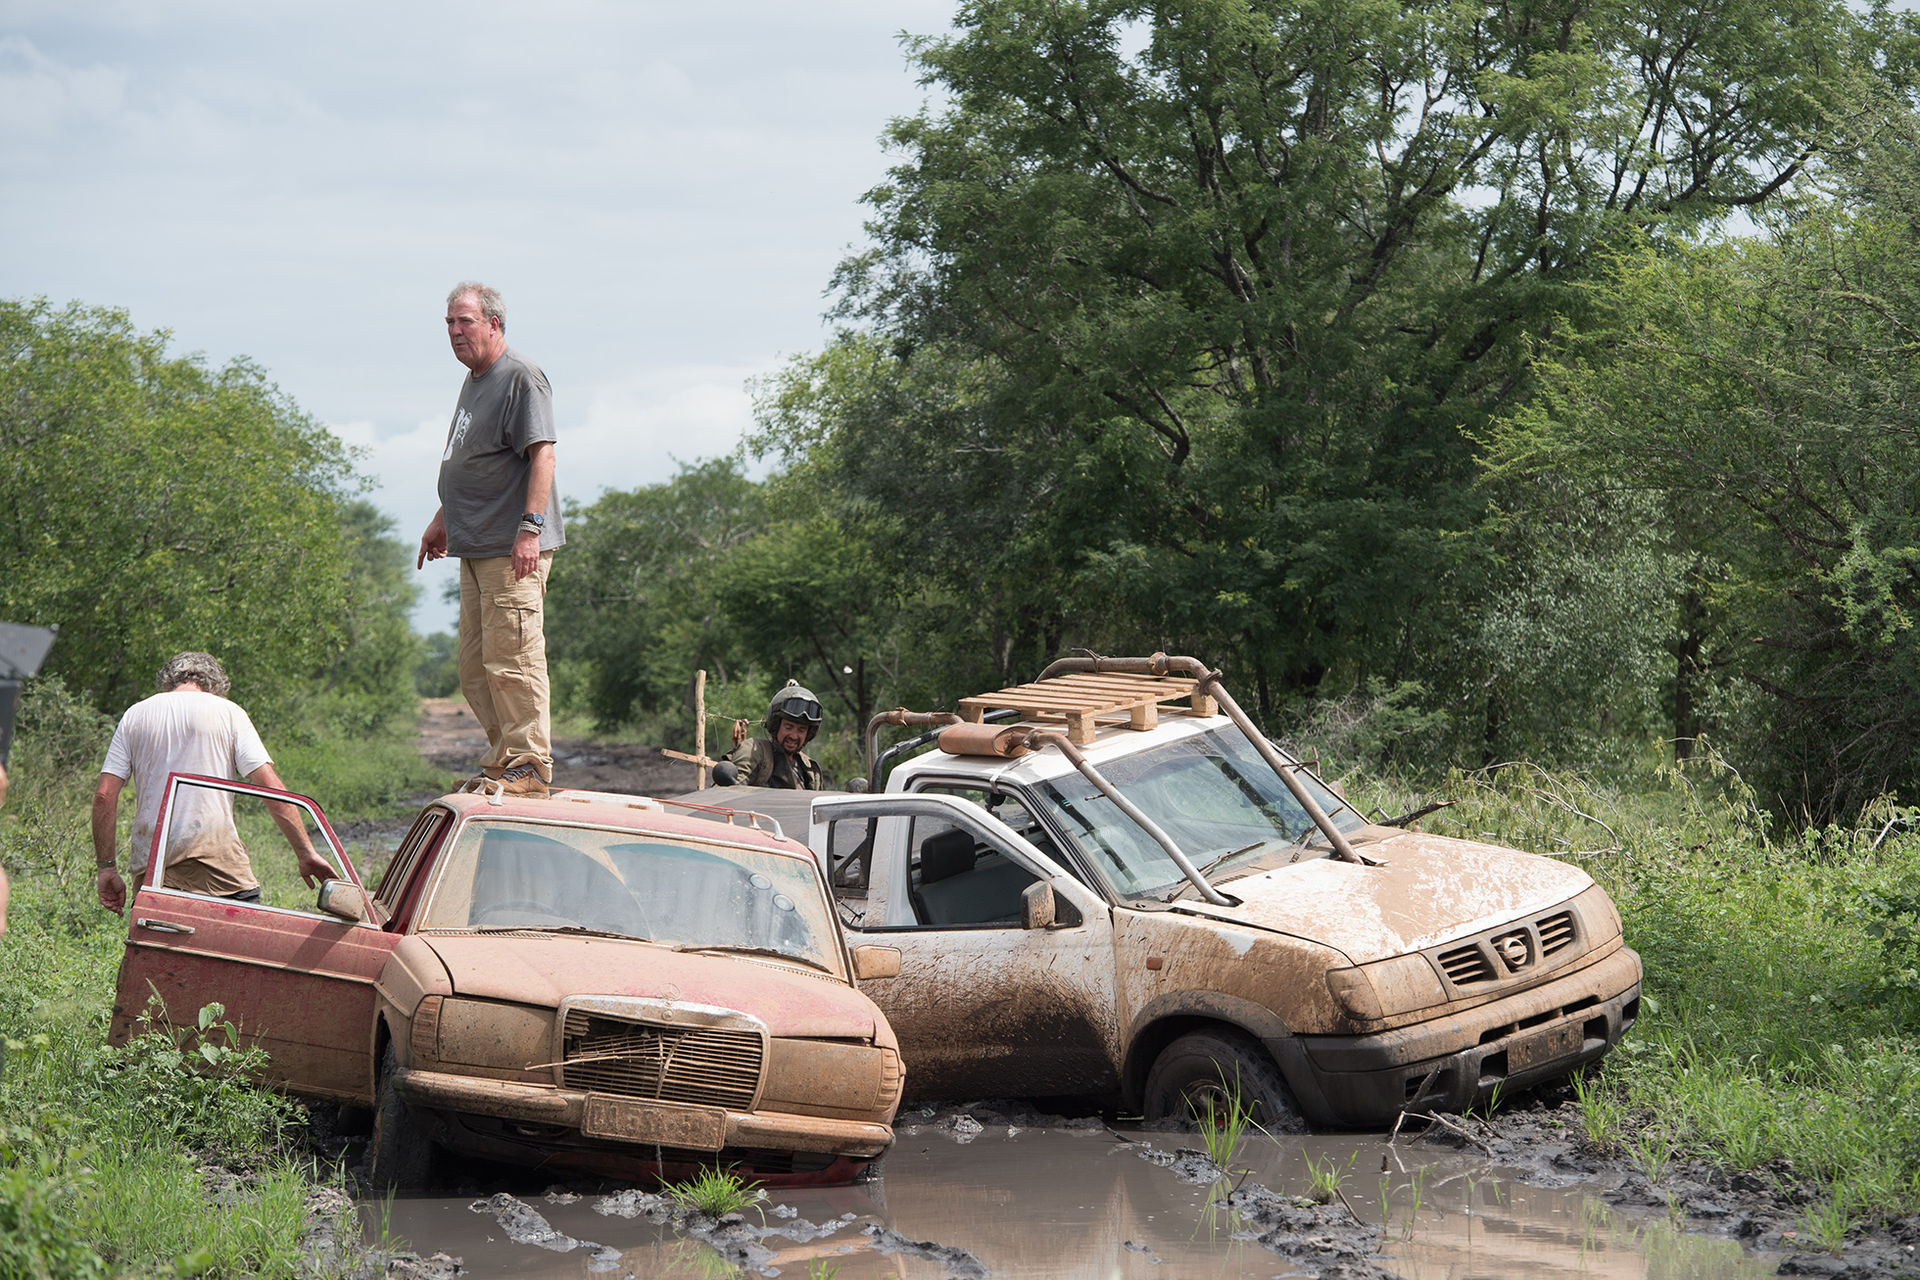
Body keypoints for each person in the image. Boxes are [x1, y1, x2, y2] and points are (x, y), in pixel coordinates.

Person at [417, 282, 564, 799]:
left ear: (494, 324)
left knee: (514, 660)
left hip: (511, 547)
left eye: (465, 322)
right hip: (475, 544)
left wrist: (530, 529)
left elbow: (543, 456)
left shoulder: (520, 376)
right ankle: (504, 763)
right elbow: (475, 462)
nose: (455, 332)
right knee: (476, 669)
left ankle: (531, 765)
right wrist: (443, 518)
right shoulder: (474, 380)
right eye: (449, 323)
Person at [93, 652, 333, 913]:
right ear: (214, 683)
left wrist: (106, 868)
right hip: (218, 865)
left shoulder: (135, 715)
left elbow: (104, 795)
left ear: (168, 680)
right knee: (244, 934)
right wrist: (305, 853)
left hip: (155, 868)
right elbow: (269, 785)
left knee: (156, 935)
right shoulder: (228, 712)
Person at [724, 682, 826, 789]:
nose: (794, 736)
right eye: (788, 727)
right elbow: (728, 792)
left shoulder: (810, 769)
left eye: (801, 730)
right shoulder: (754, 751)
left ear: (808, 734)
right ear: (776, 725)